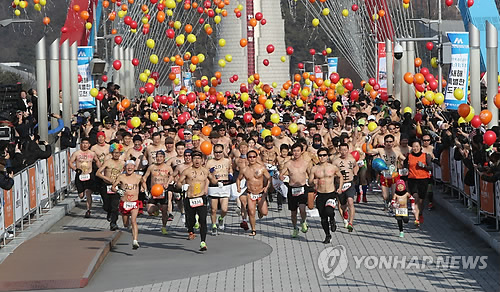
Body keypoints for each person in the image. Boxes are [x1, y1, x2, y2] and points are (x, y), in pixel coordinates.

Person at [176, 151, 209, 251]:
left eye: (199, 158)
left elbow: (213, 180)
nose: (197, 160)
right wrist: (182, 186)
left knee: (203, 220)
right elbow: (178, 183)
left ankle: (203, 242)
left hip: (201, 198)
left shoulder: (205, 171)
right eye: (195, 158)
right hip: (189, 198)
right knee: (191, 219)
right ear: (192, 160)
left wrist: (219, 182)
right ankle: (190, 230)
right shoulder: (187, 171)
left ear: (202, 160)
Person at [309, 147, 343, 243]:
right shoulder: (314, 168)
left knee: (329, 211)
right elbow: (310, 182)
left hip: (331, 193)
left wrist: (340, 188)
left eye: (324, 155)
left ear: (327, 156)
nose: (322, 157)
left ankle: (332, 219)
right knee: (323, 218)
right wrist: (312, 181)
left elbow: (340, 177)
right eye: (320, 155)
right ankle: (327, 236)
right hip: (320, 194)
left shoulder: (332, 167)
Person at [366, 134, 406, 213]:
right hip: (384, 175)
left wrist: (403, 164)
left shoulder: (397, 152)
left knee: (394, 193)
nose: (389, 143)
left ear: (393, 143)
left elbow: (404, 159)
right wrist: (368, 142)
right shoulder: (380, 150)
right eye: (387, 142)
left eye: (390, 142)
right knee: (385, 196)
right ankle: (387, 202)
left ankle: (392, 205)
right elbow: (369, 151)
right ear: (384, 143)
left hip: (394, 174)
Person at [280, 143, 312, 237]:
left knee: (302, 208)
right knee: (293, 212)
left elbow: (311, 175)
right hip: (292, 189)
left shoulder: (306, 163)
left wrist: (313, 183)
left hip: (302, 187)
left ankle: (303, 221)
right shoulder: (288, 163)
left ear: (301, 151)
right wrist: (281, 177)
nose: (296, 153)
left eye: (298, 151)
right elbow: (281, 174)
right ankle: (295, 227)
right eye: (294, 151)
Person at [236, 150, 270, 236]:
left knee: (264, 212)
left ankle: (260, 210)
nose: (252, 159)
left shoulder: (261, 168)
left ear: (256, 158)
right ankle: (253, 230)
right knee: (251, 212)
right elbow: (238, 179)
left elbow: (269, 178)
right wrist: (238, 187)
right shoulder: (244, 169)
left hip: (260, 193)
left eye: (254, 157)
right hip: (250, 193)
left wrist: (266, 187)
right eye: (250, 157)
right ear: (247, 159)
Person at [113, 161, 144, 249]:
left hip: (134, 202)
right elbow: (113, 187)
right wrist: (118, 191)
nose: (129, 168)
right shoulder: (121, 177)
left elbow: (143, 182)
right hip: (125, 203)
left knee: (134, 220)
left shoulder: (138, 177)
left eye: (132, 166)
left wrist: (143, 188)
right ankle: (128, 225)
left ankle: (135, 240)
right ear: (125, 167)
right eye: (128, 166)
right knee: (126, 224)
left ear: (134, 167)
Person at [142, 150, 173, 234]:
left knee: (165, 211)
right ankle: (157, 208)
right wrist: (143, 186)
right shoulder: (151, 167)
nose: (159, 159)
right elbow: (144, 178)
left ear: (164, 158)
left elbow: (172, 176)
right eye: (157, 157)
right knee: (149, 210)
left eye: (161, 157)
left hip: (163, 191)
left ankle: (164, 226)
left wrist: (167, 183)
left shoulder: (167, 167)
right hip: (154, 192)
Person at [69, 138, 101, 218]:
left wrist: (100, 170)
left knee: (88, 193)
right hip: (80, 175)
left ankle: (88, 210)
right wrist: (75, 169)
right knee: (81, 195)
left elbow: (97, 161)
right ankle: (81, 195)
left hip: (89, 175)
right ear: (80, 144)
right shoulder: (76, 153)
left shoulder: (92, 153)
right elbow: (70, 162)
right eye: (83, 143)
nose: (85, 145)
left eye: (87, 143)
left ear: (89, 145)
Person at [96, 143, 125, 231]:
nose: (116, 154)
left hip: (116, 186)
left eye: (118, 153)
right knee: (107, 205)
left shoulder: (123, 163)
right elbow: (98, 173)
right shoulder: (107, 162)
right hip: (106, 185)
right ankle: (108, 212)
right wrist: (107, 178)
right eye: (115, 152)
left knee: (115, 205)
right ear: (111, 153)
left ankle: (113, 223)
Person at [206, 144, 233, 235]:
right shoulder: (209, 162)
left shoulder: (227, 160)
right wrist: (210, 175)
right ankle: (214, 225)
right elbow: (206, 174)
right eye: (216, 152)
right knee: (213, 209)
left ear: (223, 152)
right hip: (214, 186)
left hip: (225, 185)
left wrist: (230, 175)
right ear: (213, 152)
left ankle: (221, 218)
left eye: (220, 152)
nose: (218, 154)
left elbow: (230, 169)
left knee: (224, 209)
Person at [405, 140, 432, 227]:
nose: (415, 148)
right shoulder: (409, 156)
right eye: (413, 147)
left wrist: (424, 166)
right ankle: (416, 219)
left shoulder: (425, 156)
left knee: (421, 200)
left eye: (417, 146)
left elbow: (430, 167)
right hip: (412, 179)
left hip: (423, 179)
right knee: (415, 197)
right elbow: (405, 167)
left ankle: (420, 214)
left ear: (420, 147)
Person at [333, 143, 358, 232]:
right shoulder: (335, 161)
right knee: (343, 205)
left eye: (345, 150)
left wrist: (355, 175)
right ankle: (345, 213)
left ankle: (351, 223)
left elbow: (355, 166)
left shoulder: (352, 159)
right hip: (340, 184)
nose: (343, 152)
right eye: (341, 150)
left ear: (348, 150)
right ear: (339, 151)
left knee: (350, 202)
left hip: (350, 183)